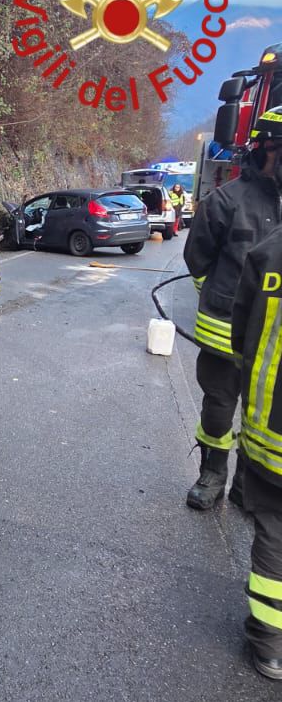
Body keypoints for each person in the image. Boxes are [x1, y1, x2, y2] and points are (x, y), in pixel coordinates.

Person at [183, 106, 282, 510]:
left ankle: (249, 481)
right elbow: (198, 258)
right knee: (220, 406)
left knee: (269, 420)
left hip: (274, 342)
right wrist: (223, 299)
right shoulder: (225, 201)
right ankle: (213, 473)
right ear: (264, 150)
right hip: (224, 331)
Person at [229, 164, 282, 678]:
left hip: (272, 431)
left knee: (274, 530)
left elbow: (242, 335)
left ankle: (269, 644)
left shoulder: (269, 253)